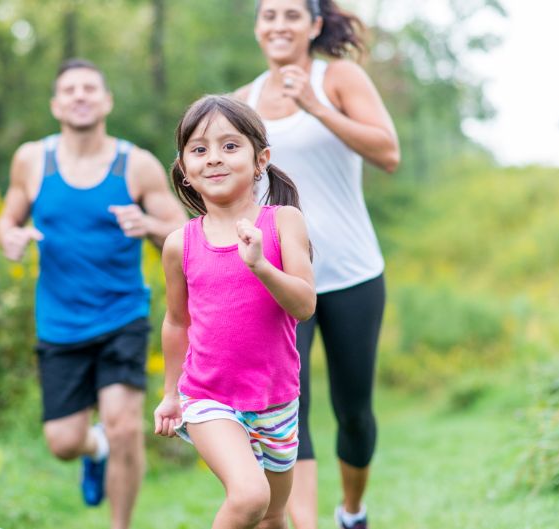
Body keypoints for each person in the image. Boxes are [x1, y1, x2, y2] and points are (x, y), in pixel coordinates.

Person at [0, 59, 186, 529]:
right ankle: (92, 448)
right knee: (62, 441)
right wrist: (10, 238)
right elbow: (6, 220)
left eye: (89, 88)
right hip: (59, 321)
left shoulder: (135, 164)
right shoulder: (32, 159)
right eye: (70, 89)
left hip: (122, 314)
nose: (80, 95)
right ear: (56, 103)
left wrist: (150, 226)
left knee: (124, 428)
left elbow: (183, 234)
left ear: (106, 101)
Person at [234, 1, 401, 528]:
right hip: (283, 281)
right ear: (258, 28)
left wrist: (316, 106)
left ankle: (352, 511)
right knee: (289, 413)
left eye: (291, 14)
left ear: (313, 25)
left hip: (353, 273)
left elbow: (388, 152)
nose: (278, 24)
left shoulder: (339, 77)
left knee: (353, 411)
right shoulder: (244, 101)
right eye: (268, 15)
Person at [153, 95, 316, 529]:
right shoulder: (179, 244)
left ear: (260, 158)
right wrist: (171, 393)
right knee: (248, 497)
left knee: (273, 515)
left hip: (276, 399)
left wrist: (261, 266)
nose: (214, 159)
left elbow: (304, 304)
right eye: (199, 150)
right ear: (185, 170)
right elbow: (176, 322)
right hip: (208, 397)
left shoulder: (283, 223)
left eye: (230, 146)